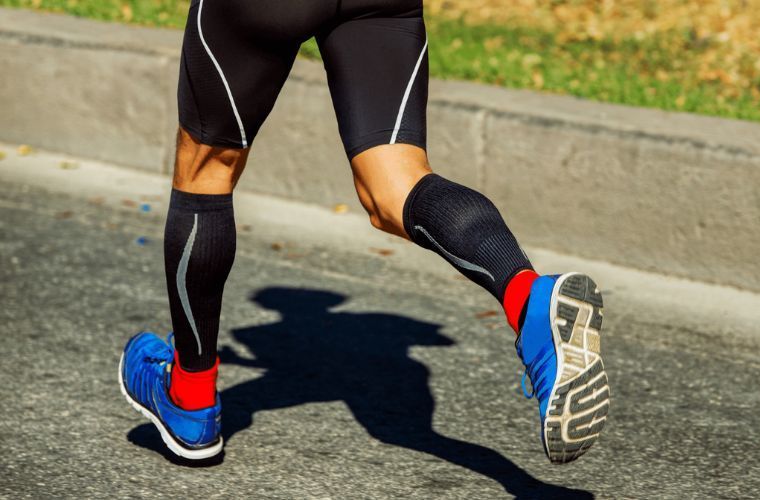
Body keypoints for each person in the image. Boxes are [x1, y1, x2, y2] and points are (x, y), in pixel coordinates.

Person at [118, 0, 610, 465]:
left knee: (206, 167)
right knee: (397, 187)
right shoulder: (411, 336)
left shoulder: (266, 334)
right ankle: (528, 298)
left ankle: (191, 397)